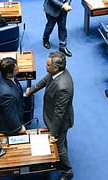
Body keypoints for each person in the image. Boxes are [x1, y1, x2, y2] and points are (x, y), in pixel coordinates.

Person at [26, 51, 74, 180]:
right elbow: (46, 79)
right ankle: (61, 154)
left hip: (59, 121)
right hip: (52, 115)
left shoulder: (63, 86)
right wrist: (32, 90)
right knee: (62, 142)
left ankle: (67, 171)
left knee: (59, 145)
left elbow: (59, 113)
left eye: (47, 65)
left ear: (56, 68)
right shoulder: (55, 73)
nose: (45, 66)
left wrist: (53, 134)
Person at [0, 57, 26, 135]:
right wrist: (19, 128)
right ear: (8, 74)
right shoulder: (7, 95)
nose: (19, 69)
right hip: (8, 126)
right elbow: (10, 114)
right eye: (16, 70)